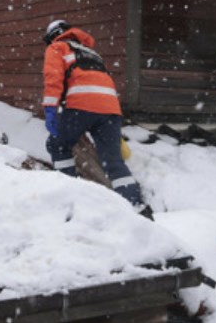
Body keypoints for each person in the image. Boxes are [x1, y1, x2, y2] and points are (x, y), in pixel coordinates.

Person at [41, 20, 147, 210]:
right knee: (113, 161)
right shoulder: (93, 54)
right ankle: (137, 207)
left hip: (81, 105)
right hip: (111, 110)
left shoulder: (57, 47)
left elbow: (53, 78)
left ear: (53, 36)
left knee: (57, 145)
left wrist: (50, 109)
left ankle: (68, 199)